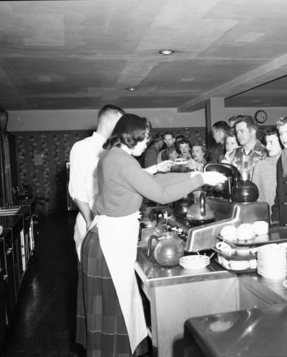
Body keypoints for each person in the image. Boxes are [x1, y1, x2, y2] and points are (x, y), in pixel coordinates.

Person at [76, 114, 226, 357]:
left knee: (119, 313)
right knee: (117, 314)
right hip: (108, 243)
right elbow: (161, 194)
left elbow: (153, 179)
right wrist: (202, 179)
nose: (147, 143)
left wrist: (190, 175)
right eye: (144, 138)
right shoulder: (121, 160)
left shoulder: (117, 156)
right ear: (130, 136)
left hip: (109, 238)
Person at [69, 104, 125, 260]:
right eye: (119, 122)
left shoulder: (113, 149)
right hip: (91, 219)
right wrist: (89, 220)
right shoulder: (83, 147)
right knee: (91, 273)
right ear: (107, 121)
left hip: (110, 219)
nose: (122, 128)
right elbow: (77, 189)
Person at [252, 128, 283, 218]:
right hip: (266, 218)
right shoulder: (260, 166)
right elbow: (255, 197)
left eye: (271, 142)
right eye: (266, 142)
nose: (267, 147)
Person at [233, 115, 268, 179]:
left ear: (253, 131)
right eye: (237, 132)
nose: (238, 135)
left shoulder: (265, 153)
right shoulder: (234, 153)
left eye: (242, 131)